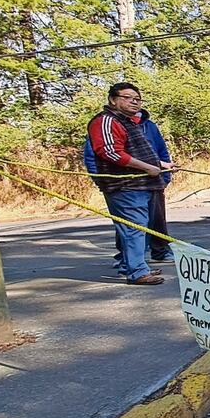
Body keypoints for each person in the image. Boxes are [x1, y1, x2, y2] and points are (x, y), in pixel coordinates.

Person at [86, 82, 171, 285]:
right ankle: (137, 272)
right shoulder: (105, 121)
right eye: (128, 97)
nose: (134, 101)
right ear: (113, 100)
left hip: (144, 184)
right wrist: (147, 168)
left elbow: (136, 151)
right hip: (125, 185)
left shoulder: (130, 122)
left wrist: (162, 164)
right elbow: (109, 152)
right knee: (134, 227)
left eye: (137, 98)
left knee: (141, 227)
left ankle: (133, 265)